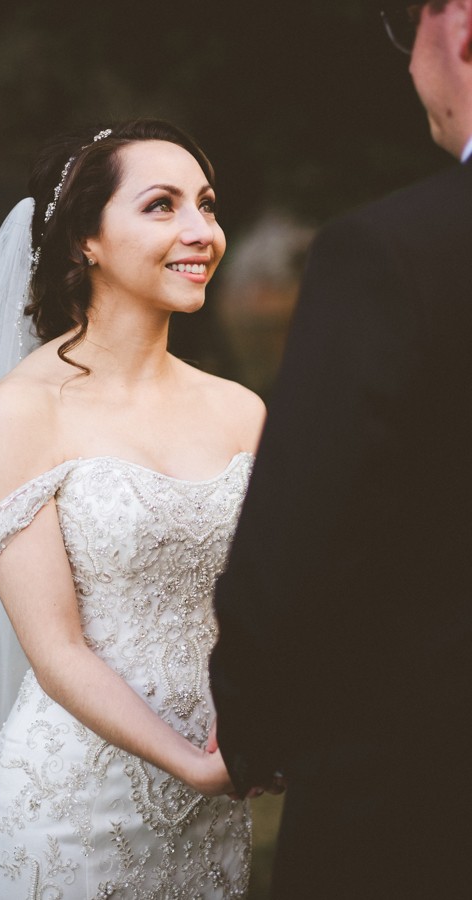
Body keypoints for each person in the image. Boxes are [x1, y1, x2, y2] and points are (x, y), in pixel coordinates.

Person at [0, 119, 266, 899]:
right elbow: (57, 650)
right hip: (73, 812)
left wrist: (261, 727)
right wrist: (193, 763)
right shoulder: (20, 413)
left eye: (207, 204)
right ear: (84, 242)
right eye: (162, 206)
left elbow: (272, 600)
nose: (201, 231)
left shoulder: (243, 412)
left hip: (214, 801)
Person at [209, 2, 472, 897]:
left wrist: (251, 723)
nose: (407, 69)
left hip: (420, 796)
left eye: (412, 29)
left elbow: (301, 539)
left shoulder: (393, 254)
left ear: (463, 28)